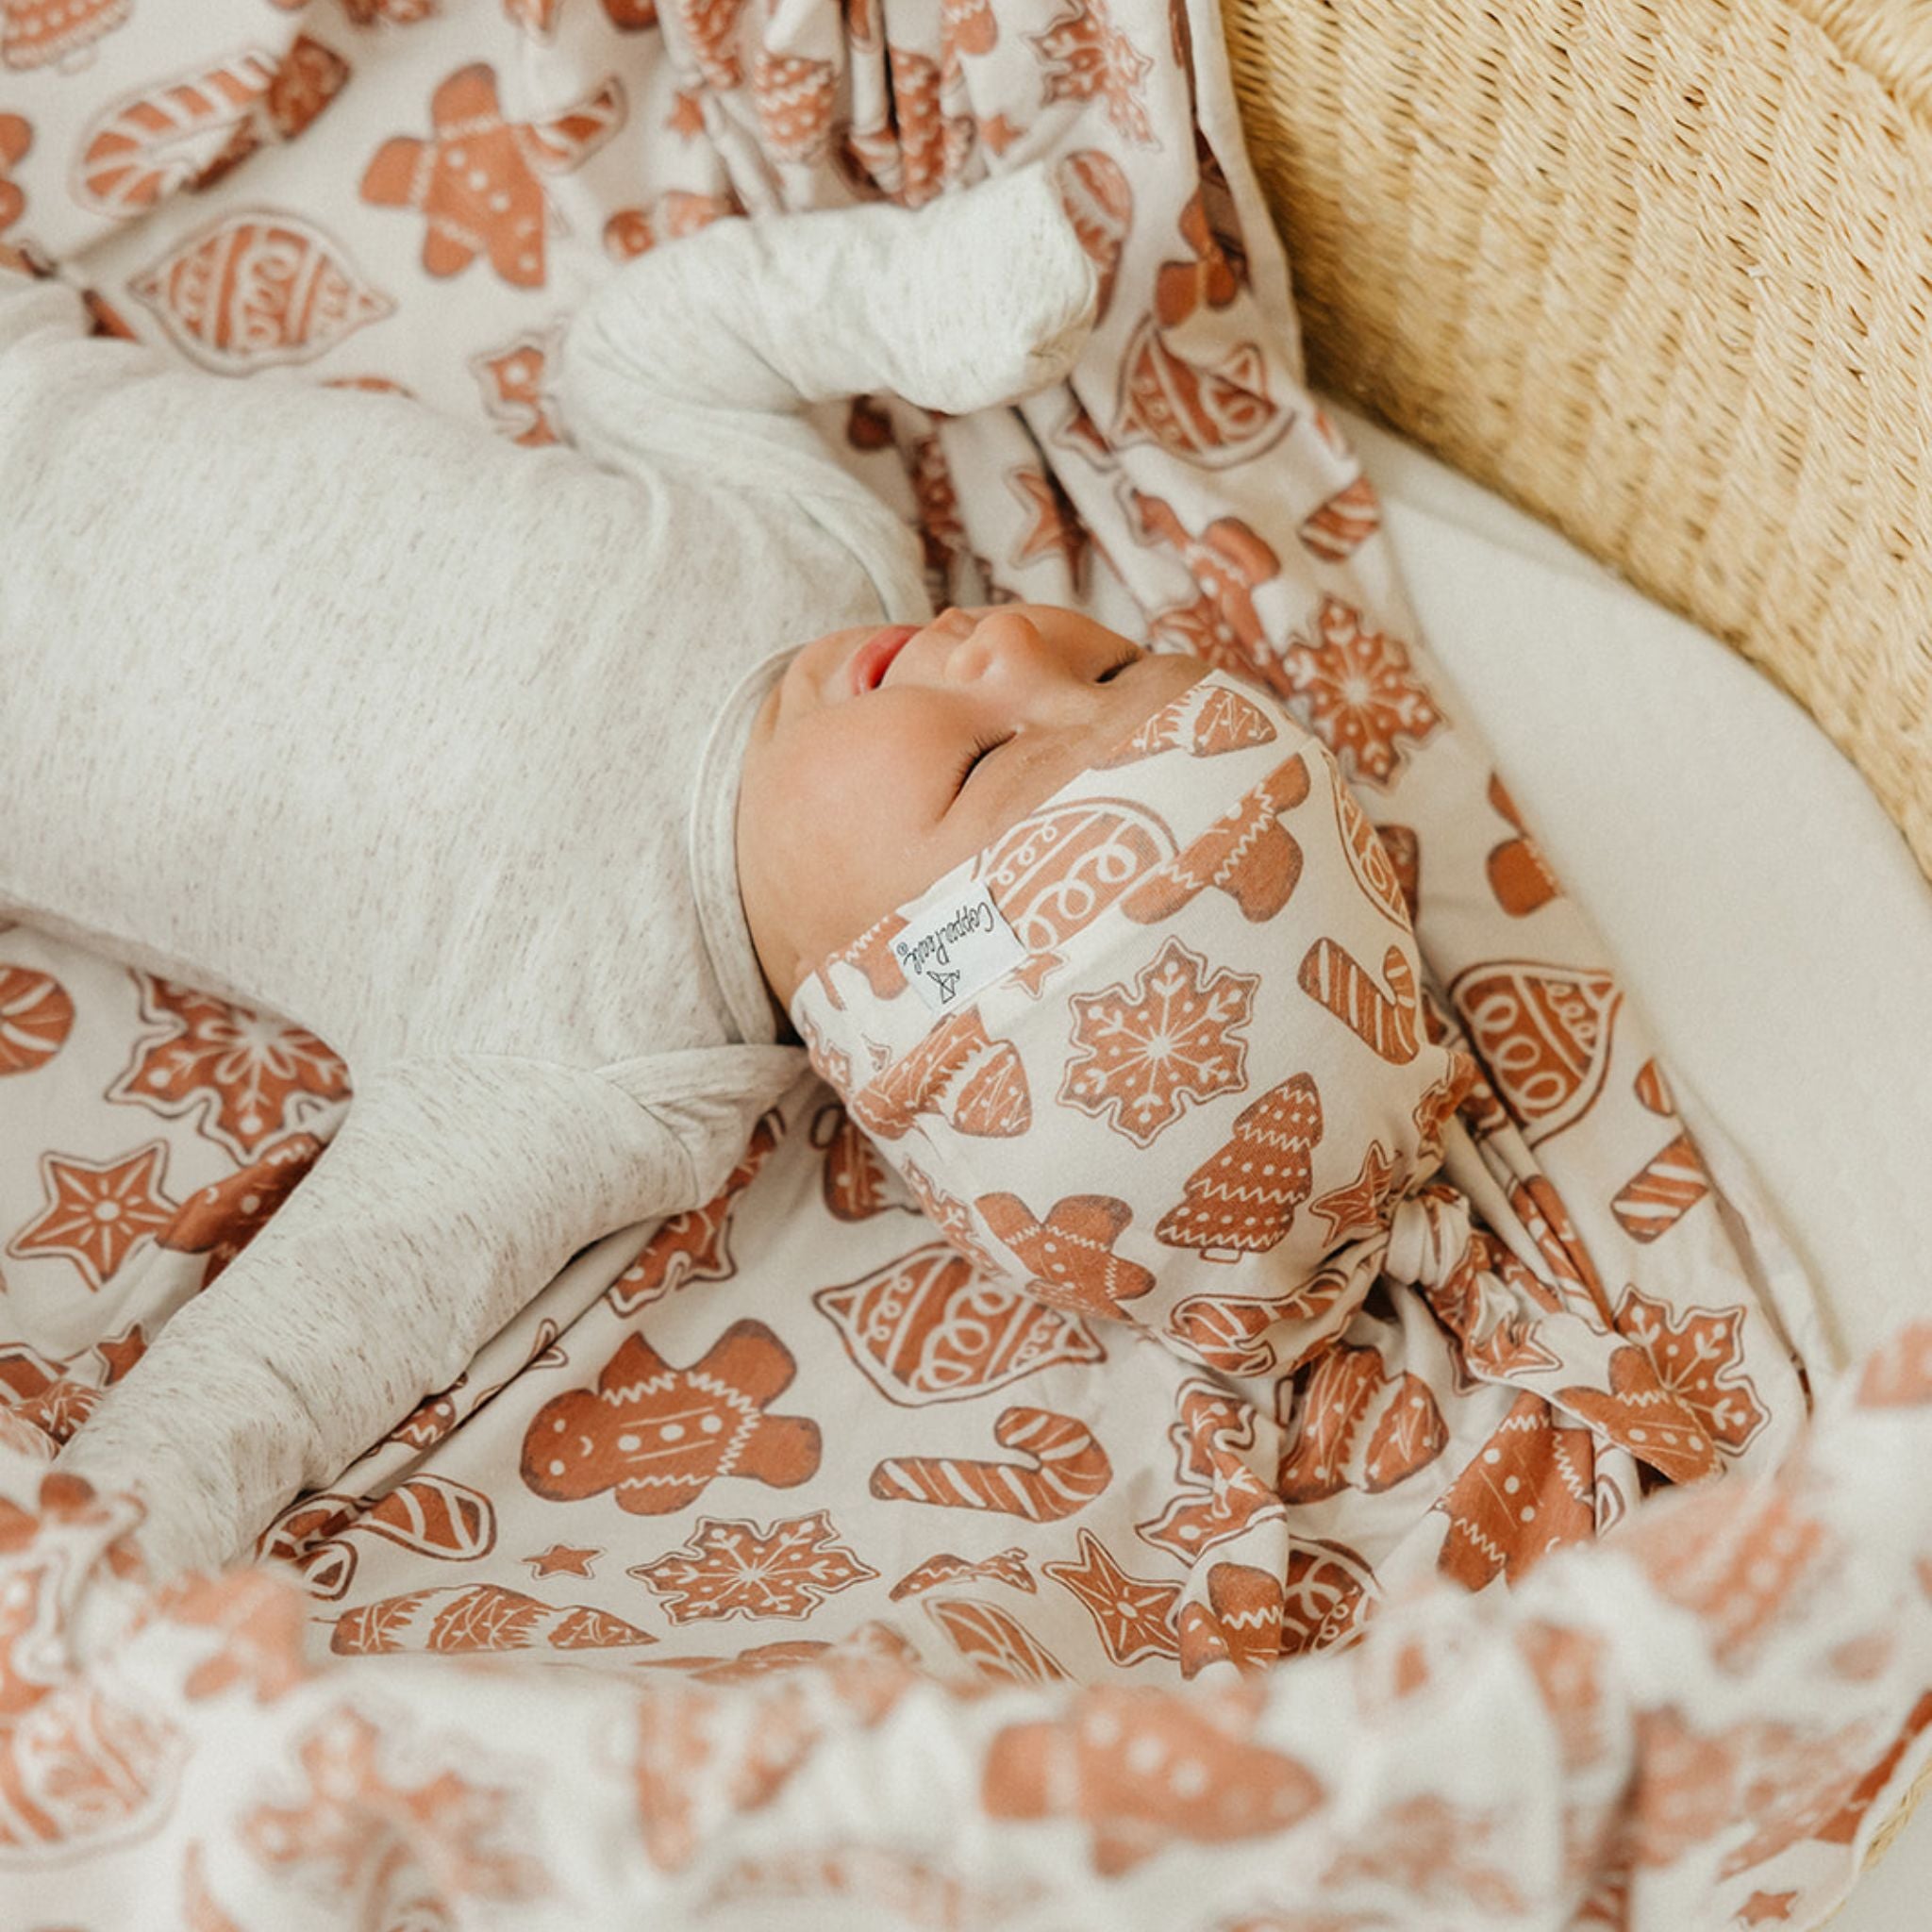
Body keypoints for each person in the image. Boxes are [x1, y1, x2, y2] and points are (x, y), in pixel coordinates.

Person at [0, 160, 1463, 1581]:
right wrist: (913, 299)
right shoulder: (828, 558)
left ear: (885, 996)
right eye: (1107, 661)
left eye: (979, 761)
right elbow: (642, 357)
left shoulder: (599, 1062)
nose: (1006, 642)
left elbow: (302, 1346)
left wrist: (99, 1555)